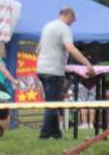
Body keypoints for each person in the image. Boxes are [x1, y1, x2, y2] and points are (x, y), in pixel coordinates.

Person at [36, 7, 95, 140]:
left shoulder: (47, 26)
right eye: (73, 20)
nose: (73, 22)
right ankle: (44, 135)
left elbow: (38, 48)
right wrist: (87, 63)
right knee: (52, 104)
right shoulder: (64, 28)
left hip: (41, 69)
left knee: (52, 101)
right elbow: (70, 48)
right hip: (54, 70)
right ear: (69, 16)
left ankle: (56, 134)